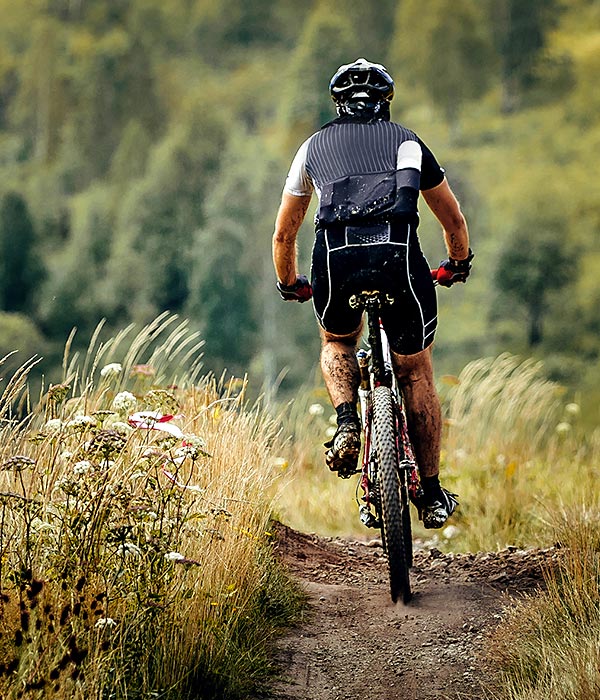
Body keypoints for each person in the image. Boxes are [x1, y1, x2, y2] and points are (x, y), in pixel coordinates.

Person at [272, 58, 472, 529]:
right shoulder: (407, 141)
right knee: (415, 368)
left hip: (335, 260)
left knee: (338, 341)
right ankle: (431, 491)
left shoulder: (311, 148)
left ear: (337, 102)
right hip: (398, 260)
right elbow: (452, 219)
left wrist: (290, 282)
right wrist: (457, 263)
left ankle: (346, 420)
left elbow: (285, 234)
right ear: (386, 102)